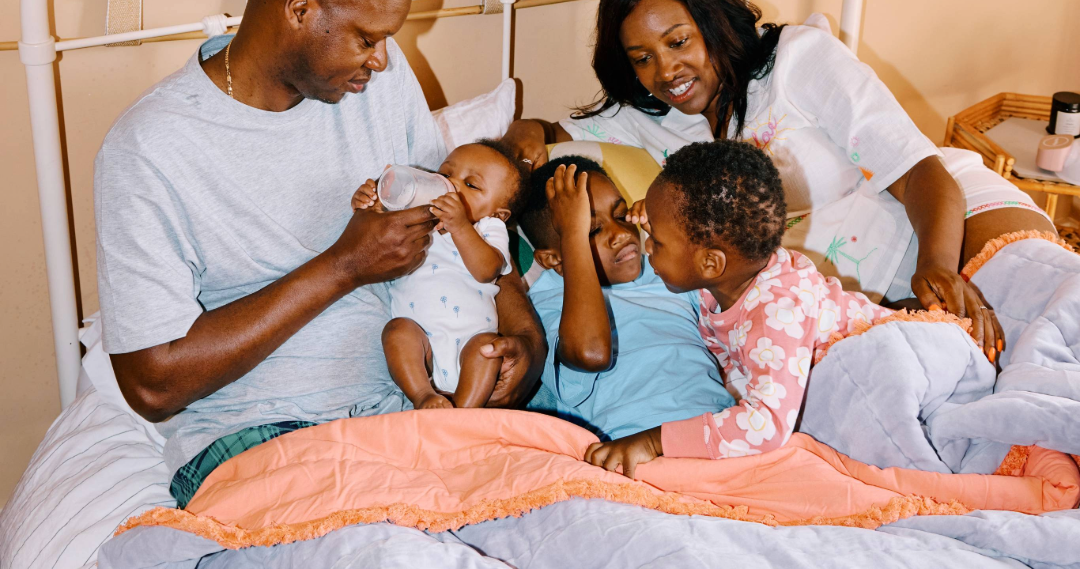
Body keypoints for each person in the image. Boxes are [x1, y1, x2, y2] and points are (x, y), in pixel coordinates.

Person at [94, 0, 544, 504]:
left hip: (416, 409)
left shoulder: (379, 82)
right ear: (300, 10)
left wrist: (526, 342)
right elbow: (151, 384)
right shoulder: (151, 149)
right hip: (261, 435)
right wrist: (344, 266)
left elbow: (465, 230)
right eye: (367, 39)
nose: (382, 60)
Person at [505, 0, 1059, 360]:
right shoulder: (647, 119)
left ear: (713, 21)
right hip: (852, 305)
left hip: (942, 226)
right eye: (642, 58)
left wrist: (935, 267)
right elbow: (546, 133)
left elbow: (917, 171)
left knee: (1056, 315)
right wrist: (515, 141)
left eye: (678, 42)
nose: (665, 71)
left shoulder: (797, 61)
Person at [587, 140, 928, 478]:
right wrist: (662, 220)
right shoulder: (724, 282)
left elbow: (765, 427)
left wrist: (654, 441)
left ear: (710, 262)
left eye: (656, 241)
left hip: (898, 370)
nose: (646, 246)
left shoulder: (775, 312)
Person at [516, 157, 735, 440]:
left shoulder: (666, 271)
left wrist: (673, 236)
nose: (620, 234)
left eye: (620, 216)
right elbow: (590, 353)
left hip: (717, 431)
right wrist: (573, 233)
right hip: (629, 440)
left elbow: (737, 302)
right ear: (554, 258)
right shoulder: (549, 298)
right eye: (592, 230)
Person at [352, 141, 529, 409]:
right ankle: (423, 396)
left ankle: (464, 412)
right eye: (446, 175)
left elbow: (487, 270)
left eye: (471, 185)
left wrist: (459, 226)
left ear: (498, 213)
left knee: (488, 347)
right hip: (422, 350)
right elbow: (375, 232)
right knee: (397, 331)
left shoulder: (488, 228)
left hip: (471, 347)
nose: (452, 186)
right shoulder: (418, 219)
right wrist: (371, 204)